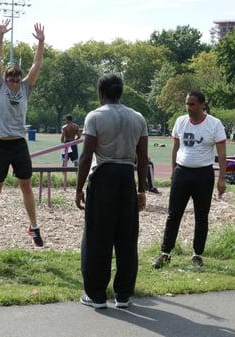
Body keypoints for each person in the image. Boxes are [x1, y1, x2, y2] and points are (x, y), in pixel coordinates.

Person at [76, 73, 148, 309]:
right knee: (127, 237)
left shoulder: (95, 117)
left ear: (101, 92)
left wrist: (79, 187)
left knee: (98, 237)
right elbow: (143, 157)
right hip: (127, 177)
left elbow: (86, 156)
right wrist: (141, 190)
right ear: (121, 92)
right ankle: (123, 294)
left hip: (103, 176)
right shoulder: (137, 117)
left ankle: (96, 295)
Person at [0, 20, 45, 254]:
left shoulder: (26, 88)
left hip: (19, 144)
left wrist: (41, 42)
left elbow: (37, 65)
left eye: (17, 79)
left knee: (26, 187)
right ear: (5, 79)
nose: (14, 82)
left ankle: (34, 227)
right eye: (11, 78)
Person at [152, 90, 227, 269]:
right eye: (187, 104)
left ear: (203, 104)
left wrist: (222, 179)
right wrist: (174, 171)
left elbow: (222, 154)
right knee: (173, 214)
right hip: (182, 173)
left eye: (192, 104)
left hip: (203, 175)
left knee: (201, 217)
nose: (189, 108)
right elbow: (175, 148)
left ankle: (197, 254)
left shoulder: (214, 124)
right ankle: (165, 252)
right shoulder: (180, 121)